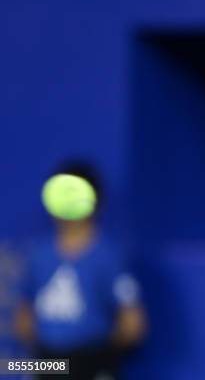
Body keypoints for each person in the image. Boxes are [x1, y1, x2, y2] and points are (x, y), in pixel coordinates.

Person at [14, 162, 146, 379]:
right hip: (48, 364)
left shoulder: (109, 256)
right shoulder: (38, 256)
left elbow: (133, 323)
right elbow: (23, 318)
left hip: (91, 363)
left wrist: (95, 358)